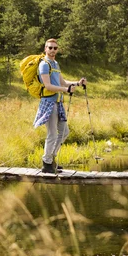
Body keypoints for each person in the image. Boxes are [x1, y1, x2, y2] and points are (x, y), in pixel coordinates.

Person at [33, 39, 87, 173]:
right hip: (49, 103)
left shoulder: (55, 64)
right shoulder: (44, 65)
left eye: (55, 48)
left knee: (64, 132)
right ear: (45, 48)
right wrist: (66, 90)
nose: (52, 50)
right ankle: (46, 163)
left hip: (58, 103)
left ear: (57, 50)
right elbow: (48, 86)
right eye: (50, 48)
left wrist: (77, 83)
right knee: (52, 134)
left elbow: (62, 82)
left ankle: (51, 159)